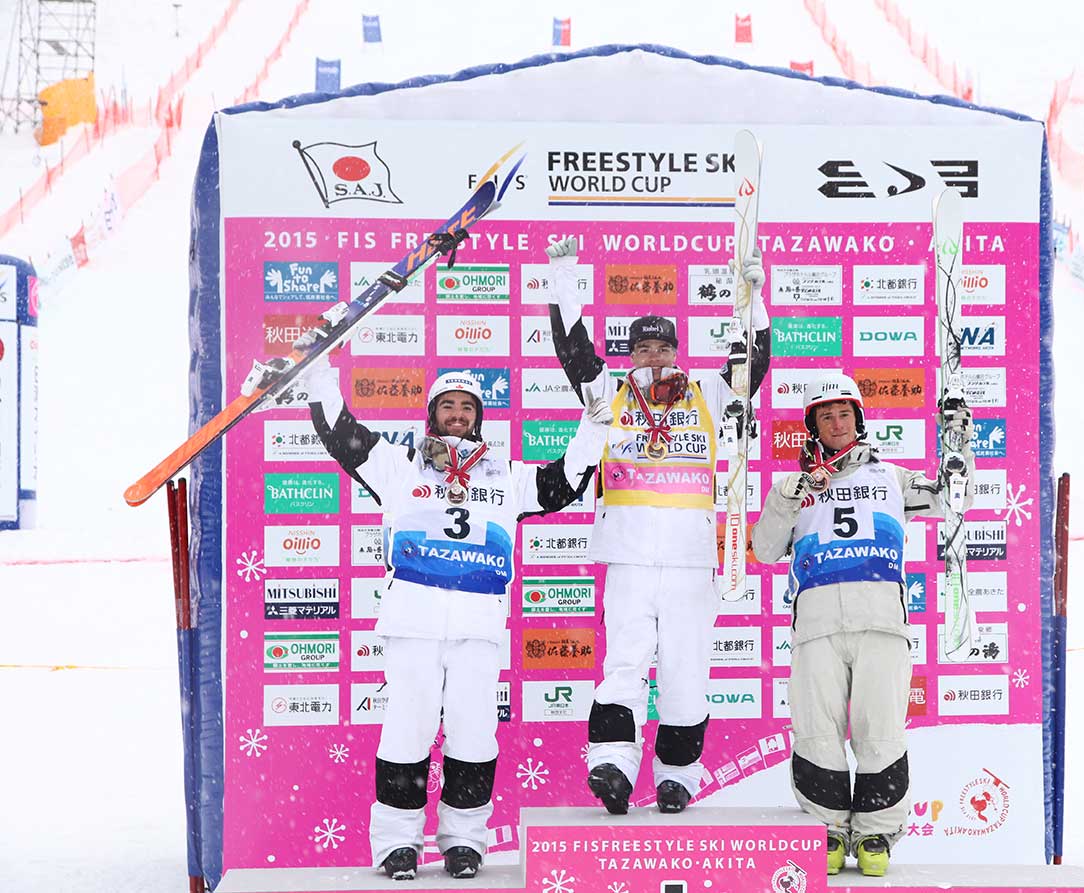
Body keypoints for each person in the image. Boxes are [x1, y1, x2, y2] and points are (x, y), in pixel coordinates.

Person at [244, 349, 607, 880]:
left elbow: (562, 484)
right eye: (447, 406)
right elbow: (342, 436)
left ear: (479, 416)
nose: (457, 415)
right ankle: (397, 843)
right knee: (407, 731)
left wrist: (591, 431)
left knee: (475, 734)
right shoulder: (398, 463)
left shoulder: (505, 474)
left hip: (478, 629)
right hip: (412, 623)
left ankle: (464, 840)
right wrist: (322, 372)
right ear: (431, 413)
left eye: (466, 407)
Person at [543, 235, 771, 814]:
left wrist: (754, 298)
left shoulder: (709, 393)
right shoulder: (610, 393)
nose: (651, 357)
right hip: (628, 559)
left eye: (661, 348)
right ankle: (613, 768)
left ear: (675, 351)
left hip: (693, 562)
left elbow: (755, 359)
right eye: (641, 349)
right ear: (631, 355)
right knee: (624, 664)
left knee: (686, 672)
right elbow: (572, 348)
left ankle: (678, 775)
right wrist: (565, 271)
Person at [751, 372, 974, 877]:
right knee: (816, 730)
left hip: (881, 623)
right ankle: (827, 829)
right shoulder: (794, 486)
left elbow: (954, 498)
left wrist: (959, 443)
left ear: (858, 418)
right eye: (825, 415)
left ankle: (875, 834)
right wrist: (790, 493)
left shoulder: (893, 478)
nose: (836, 423)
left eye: (844, 413)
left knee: (881, 730)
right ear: (812, 425)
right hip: (817, 625)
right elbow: (764, 550)